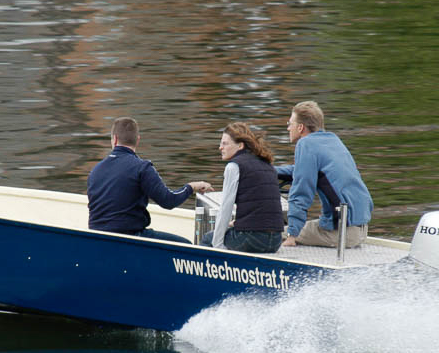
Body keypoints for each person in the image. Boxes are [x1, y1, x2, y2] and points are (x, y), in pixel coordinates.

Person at [88, 117, 213, 243]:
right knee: (186, 246)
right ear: (137, 140)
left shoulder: (95, 171)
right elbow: (168, 201)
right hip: (130, 238)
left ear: (114, 139)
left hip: (97, 238)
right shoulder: (142, 168)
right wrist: (191, 187)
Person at [275, 101, 373, 248]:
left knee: (273, 230)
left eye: (290, 123)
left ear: (300, 127)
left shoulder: (305, 144)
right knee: (304, 224)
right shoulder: (333, 140)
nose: (288, 128)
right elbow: (301, 170)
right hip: (360, 229)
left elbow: (301, 193)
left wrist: (291, 236)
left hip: (340, 234)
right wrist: (271, 170)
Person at [200, 123, 285, 253]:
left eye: (225, 143)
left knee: (208, 239)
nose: (220, 147)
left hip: (252, 239)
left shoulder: (234, 166)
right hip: (276, 240)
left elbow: (226, 208)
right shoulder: (267, 164)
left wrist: (217, 245)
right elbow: (260, 203)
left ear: (240, 146)